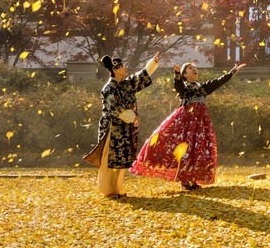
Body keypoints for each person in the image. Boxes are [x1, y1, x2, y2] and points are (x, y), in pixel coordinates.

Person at [132, 61, 244, 190]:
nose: (194, 69)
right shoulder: (184, 87)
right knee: (186, 148)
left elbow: (218, 81)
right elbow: (178, 86)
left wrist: (233, 72)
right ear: (185, 74)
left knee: (197, 149)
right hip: (186, 123)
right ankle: (185, 179)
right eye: (190, 68)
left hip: (201, 124)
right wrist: (177, 73)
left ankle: (192, 178)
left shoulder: (203, 87)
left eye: (195, 67)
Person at [83, 53, 160, 198]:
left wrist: (152, 63)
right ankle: (108, 190)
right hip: (112, 128)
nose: (125, 68)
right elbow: (116, 108)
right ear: (115, 69)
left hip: (124, 128)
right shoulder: (108, 88)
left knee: (120, 159)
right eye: (122, 66)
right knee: (109, 160)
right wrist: (133, 117)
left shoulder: (125, 84)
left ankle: (115, 190)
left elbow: (140, 76)